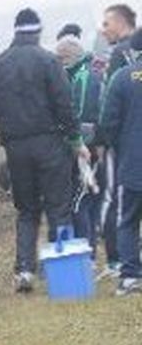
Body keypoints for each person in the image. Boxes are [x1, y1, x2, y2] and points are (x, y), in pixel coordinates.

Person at [0, 9, 89, 294]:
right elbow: (64, 104)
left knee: (26, 210)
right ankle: (64, 274)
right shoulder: (48, 61)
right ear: (38, 31)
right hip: (50, 144)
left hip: (15, 147)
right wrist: (76, 140)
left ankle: (24, 271)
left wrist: (12, 124)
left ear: (16, 31)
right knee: (59, 208)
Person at [97, 29, 142, 296]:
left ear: (133, 51)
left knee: (128, 221)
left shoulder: (122, 77)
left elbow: (107, 124)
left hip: (133, 165)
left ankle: (131, 277)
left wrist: (118, 148)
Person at [56, 32, 103, 248]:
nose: (59, 64)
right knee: (90, 198)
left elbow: (80, 113)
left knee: (79, 201)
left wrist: (72, 140)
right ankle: (90, 247)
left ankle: (85, 248)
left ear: (71, 56)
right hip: (90, 142)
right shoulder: (82, 73)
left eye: (61, 59)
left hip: (85, 145)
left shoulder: (83, 76)